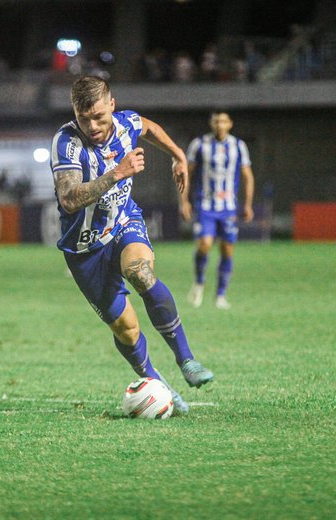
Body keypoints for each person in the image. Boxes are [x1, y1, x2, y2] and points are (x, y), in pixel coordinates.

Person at [50, 76, 214, 414]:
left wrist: (178, 155)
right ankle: (160, 386)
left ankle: (186, 359)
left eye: (99, 116)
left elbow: (149, 128)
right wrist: (117, 173)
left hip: (123, 223)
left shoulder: (126, 122)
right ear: (74, 114)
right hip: (84, 249)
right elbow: (68, 199)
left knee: (140, 272)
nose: (93, 125)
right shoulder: (66, 143)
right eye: (84, 118)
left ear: (112, 105)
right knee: (126, 328)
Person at [180, 110, 255, 310]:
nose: (219, 124)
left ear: (230, 123)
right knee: (204, 245)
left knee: (227, 250)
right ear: (211, 123)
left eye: (223, 121)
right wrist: (184, 201)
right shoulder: (199, 145)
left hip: (228, 208)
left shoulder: (238, 146)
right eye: (216, 121)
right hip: (205, 206)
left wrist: (247, 204)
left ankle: (221, 295)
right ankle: (199, 282)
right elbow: (186, 173)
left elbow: (247, 175)